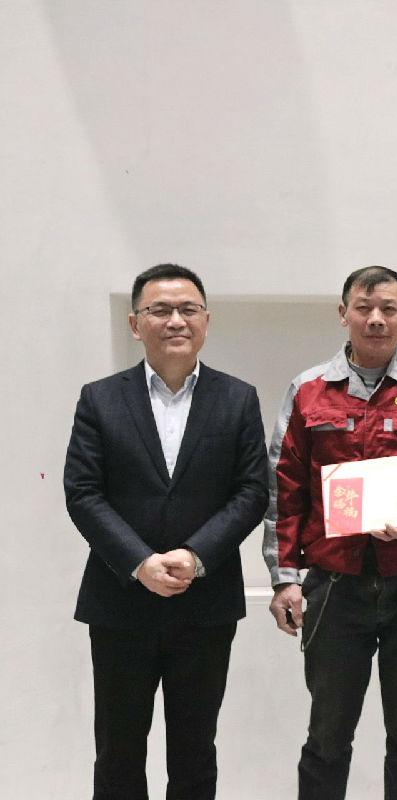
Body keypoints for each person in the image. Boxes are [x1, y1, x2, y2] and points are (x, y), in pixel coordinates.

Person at [262, 266, 397, 800]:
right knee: (327, 737)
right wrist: (285, 578)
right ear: (344, 314)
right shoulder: (307, 391)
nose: (376, 319)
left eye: (388, 308)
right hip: (334, 584)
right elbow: (283, 490)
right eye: (364, 308)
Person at [64, 264, 270, 800]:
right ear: (136, 324)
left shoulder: (238, 398)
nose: (176, 320)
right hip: (120, 603)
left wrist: (196, 556)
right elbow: (83, 492)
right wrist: (140, 562)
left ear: (206, 320)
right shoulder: (100, 398)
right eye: (160, 310)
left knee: (195, 754)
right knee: (117, 753)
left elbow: (252, 492)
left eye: (188, 309)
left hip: (205, 602)